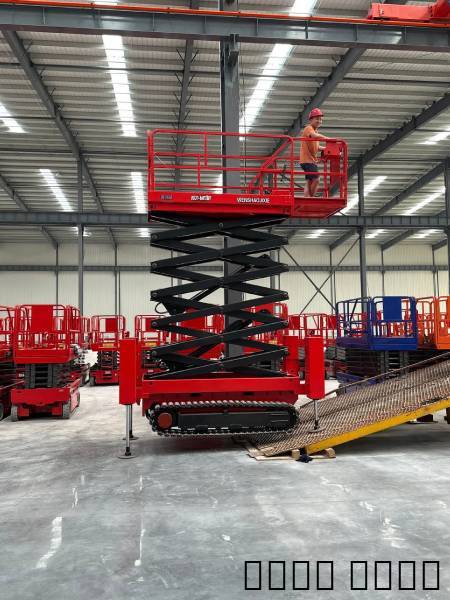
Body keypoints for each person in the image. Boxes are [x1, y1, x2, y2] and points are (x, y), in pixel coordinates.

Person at [299, 108, 330, 198]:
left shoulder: (314, 131)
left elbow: (317, 147)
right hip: (308, 161)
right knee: (317, 179)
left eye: (320, 119)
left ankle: (306, 197)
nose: (319, 121)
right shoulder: (308, 128)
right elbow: (315, 136)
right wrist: (328, 139)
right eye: (317, 119)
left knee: (309, 181)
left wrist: (327, 149)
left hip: (308, 161)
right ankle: (311, 198)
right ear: (311, 120)